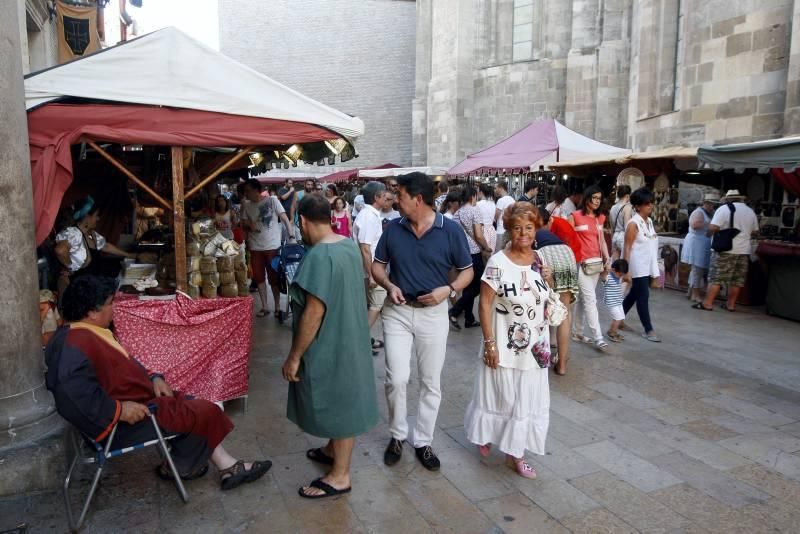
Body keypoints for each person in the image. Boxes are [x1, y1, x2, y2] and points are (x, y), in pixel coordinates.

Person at [46, 275, 271, 490]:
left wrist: (153, 377)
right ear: (91, 312)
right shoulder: (74, 345)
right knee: (205, 409)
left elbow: (125, 361)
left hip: (139, 401)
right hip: (121, 425)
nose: (113, 308)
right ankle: (201, 467)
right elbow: (71, 394)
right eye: (109, 303)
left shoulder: (85, 331)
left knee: (194, 401)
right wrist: (118, 410)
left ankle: (218, 466)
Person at [372, 172, 473, 471]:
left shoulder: (450, 230)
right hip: (398, 312)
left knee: (430, 381)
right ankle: (397, 435)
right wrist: (390, 286)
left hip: (433, 314)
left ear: (417, 199)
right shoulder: (392, 228)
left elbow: (467, 272)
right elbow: (378, 266)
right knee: (397, 378)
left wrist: (450, 289)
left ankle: (423, 441)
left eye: (398, 196)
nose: (393, 200)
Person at [281, 194, 378, 499]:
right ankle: (331, 448)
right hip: (352, 335)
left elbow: (314, 310)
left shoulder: (319, 256)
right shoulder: (347, 245)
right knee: (345, 393)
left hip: (332, 340)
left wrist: (294, 356)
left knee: (341, 402)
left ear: (303, 221)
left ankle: (340, 476)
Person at [464, 202, 552, 479]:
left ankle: (517, 454)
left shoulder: (538, 260)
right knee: (501, 396)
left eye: (528, 228)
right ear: (509, 230)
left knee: (524, 401)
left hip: (535, 349)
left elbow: (543, 301)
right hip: (504, 344)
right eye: (517, 228)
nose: (523, 233)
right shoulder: (498, 262)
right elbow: (484, 304)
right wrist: (489, 344)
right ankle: (488, 434)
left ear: (536, 229)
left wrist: (547, 281)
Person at [55, 196, 137, 299]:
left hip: (93, 285)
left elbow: (105, 246)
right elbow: (60, 250)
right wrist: (69, 268)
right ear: (87, 217)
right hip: (81, 290)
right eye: (96, 215)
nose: (98, 219)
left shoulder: (91, 234)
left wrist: (129, 255)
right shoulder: (73, 233)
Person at [694, 189, 759, 312]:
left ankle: (707, 303)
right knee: (736, 280)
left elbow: (713, 227)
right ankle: (731, 304)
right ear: (740, 199)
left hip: (724, 250)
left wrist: (708, 234)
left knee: (716, 277)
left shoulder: (723, 209)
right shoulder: (750, 211)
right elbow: (755, 231)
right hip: (743, 250)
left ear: (728, 199)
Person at [240, 179, 296, 318]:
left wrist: (291, 236)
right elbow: (242, 224)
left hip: (272, 245)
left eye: (247, 190)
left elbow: (284, 218)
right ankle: (265, 307)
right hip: (255, 246)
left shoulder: (272, 200)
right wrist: (247, 224)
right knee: (259, 278)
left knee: (274, 277)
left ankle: (277, 307)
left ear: (256, 190)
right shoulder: (245, 205)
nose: (245, 193)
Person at [535, 208, 579, 376]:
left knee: (541, 307)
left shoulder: (529, 235)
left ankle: (541, 356)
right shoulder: (554, 234)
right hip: (566, 253)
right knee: (564, 311)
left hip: (546, 255)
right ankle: (561, 364)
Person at [568, 185, 610, 352]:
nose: (597, 201)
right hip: (581, 264)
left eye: (599, 198)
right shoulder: (575, 216)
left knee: (583, 301)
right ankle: (598, 337)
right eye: (594, 198)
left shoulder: (600, 218)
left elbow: (601, 241)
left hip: (596, 264)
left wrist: (607, 258)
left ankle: (577, 332)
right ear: (587, 199)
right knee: (590, 299)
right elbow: (568, 238)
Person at [449, 185, 493, 330]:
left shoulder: (458, 213)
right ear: (472, 196)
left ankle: (469, 318)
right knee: (479, 285)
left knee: (468, 286)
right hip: (474, 252)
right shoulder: (475, 210)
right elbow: (479, 235)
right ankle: (454, 311)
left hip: (461, 253)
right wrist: (486, 247)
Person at [622, 187, 661, 342]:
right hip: (637, 266)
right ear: (638, 206)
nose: (650, 206)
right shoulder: (633, 224)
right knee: (643, 296)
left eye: (651, 203)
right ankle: (648, 329)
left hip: (647, 265)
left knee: (634, 295)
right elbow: (627, 247)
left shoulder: (649, 221)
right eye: (647, 204)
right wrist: (626, 270)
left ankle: (617, 319)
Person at [354, 182, 389, 352]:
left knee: (371, 306)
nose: (387, 198)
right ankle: (360, 341)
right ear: (376, 197)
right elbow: (365, 248)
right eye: (384, 195)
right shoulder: (368, 216)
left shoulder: (369, 214)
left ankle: (364, 339)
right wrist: (372, 274)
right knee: (376, 305)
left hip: (371, 269)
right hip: (372, 270)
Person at [682, 192, 719, 303]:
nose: (712, 206)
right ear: (706, 203)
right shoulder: (698, 212)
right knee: (697, 269)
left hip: (703, 242)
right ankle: (695, 294)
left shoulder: (710, 213)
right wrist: (710, 226)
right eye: (711, 204)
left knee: (698, 269)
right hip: (696, 243)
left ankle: (690, 291)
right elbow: (694, 225)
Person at [604, 259, 630, 342]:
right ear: (614, 269)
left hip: (618, 301)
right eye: (619, 274)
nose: (620, 276)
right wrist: (606, 268)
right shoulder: (608, 277)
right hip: (611, 303)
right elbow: (603, 275)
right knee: (618, 318)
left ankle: (611, 331)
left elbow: (623, 281)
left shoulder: (618, 277)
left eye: (622, 275)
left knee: (621, 316)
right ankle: (612, 333)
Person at [609, 185, 632, 260]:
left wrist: (612, 242)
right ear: (627, 196)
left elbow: (612, 227)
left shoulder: (612, 208)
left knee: (616, 265)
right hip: (623, 237)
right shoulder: (627, 207)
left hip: (615, 236)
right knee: (625, 264)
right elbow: (627, 227)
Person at [476, 183, 497, 261]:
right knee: (490, 256)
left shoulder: (478, 204)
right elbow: (495, 218)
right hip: (492, 230)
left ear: (481, 192)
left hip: (481, 230)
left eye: (477, 191)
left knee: (483, 256)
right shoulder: (493, 204)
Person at [494, 181, 515, 252]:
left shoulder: (501, 200)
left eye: (496, 188)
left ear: (501, 188)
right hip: (509, 231)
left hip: (501, 231)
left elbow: (496, 216)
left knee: (498, 253)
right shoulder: (512, 199)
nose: (495, 190)